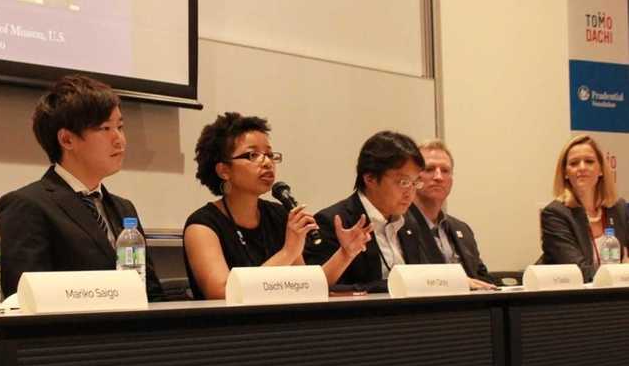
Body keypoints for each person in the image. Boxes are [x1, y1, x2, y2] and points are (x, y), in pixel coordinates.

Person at [0, 75, 163, 300]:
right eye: (105, 128)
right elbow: (25, 300)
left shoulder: (124, 209)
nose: (119, 140)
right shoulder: (26, 206)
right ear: (67, 140)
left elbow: (150, 293)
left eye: (120, 127)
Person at [183, 112, 373, 300]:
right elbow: (221, 293)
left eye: (269, 154)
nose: (267, 162)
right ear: (224, 170)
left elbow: (305, 286)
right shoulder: (202, 226)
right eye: (253, 155)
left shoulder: (278, 214)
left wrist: (346, 253)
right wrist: (288, 252)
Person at [305, 130, 436, 292]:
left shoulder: (411, 222)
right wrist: (387, 286)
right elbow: (317, 289)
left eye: (415, 183)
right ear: (370, 178)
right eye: (403, 182)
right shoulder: (333, 222)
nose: (410, 193)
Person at [407, 139, 496, 289]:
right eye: (429, 169)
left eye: (445, 171)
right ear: (413, 177)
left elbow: (482, 278)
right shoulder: (399, 226)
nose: (438, 177)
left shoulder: (462, 229)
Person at [540, 134, 627, 282]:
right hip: (576, 295)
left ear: (601, 170)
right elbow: (579, 273)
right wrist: (621, 271)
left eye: (589, 161)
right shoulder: (555, 214)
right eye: (574, 163)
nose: (582, 167)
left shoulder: (618, 208)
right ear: (565, 173)